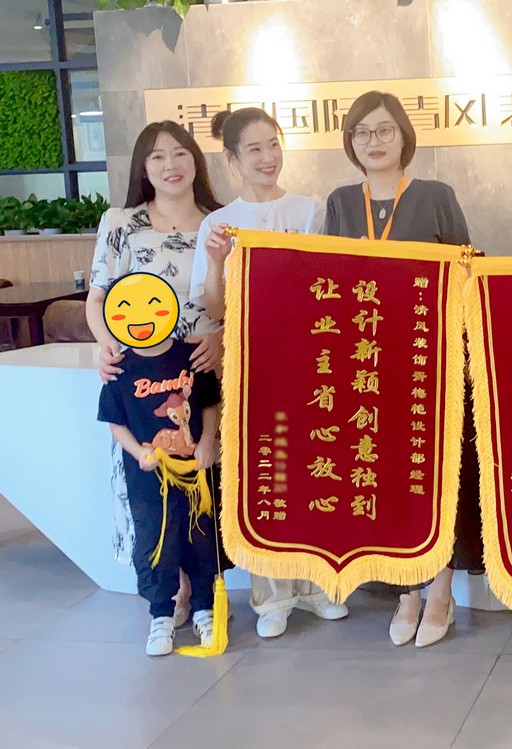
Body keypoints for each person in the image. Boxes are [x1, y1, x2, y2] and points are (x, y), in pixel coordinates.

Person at [325, 90, 482, 648]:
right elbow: (330, 283)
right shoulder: (342, 202)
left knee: (438, 473)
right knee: (392, 476)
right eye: (362, 132)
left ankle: (440, 589)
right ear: (351, 141)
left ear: (404, 136)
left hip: (431, 360)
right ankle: (407, 590)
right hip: (370, 367)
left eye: (385, 130)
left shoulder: (436, 196)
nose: (374, 141)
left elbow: (466, 271)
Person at [191, 107, 347, 639]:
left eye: (273, 144)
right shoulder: (218, 223)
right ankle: (272, 596)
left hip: (311, 363)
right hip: (251, 367)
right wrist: (218, 261)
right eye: (254, 149)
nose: (267, 157)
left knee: (314, 469)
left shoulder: (311, 209)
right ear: (232, 158)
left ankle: (319, 586)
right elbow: (215, 309)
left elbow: (329, 281)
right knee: (263, 475)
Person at [85, 121, 225, 627]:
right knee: (155, 486)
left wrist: (221, 338)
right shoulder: (121, 222)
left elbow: (242, 298)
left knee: (203, 479)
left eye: (181, 153)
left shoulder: (220, 223)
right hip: (144, 381)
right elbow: (97, 299)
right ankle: (174, 590)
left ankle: (207, 590)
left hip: (203, 374)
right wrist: (105, 346)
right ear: (143, 167)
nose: (171, 165)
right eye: (158, 156)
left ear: (196, 160)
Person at [96, 274, 222, 656]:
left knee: (202, 539)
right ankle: (161, 615)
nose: (141, 317)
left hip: (196, 477)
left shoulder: (190, 355)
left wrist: (207, 442)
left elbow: (209, 404)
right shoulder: (119, 367)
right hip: (149, 483)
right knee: (156, 543)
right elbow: (115, 422)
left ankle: (205, 609)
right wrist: (139, 453)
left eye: (151, 305)